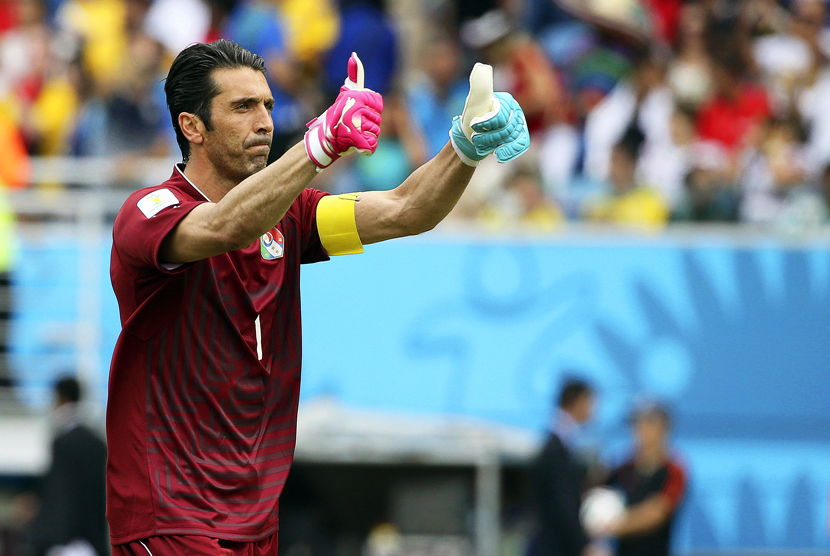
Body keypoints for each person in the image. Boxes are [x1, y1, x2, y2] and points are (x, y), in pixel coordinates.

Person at [106, 39, 529, 555]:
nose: (263, 121)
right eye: (242, 108)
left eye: (267, 105)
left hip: (255, 520)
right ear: (192, 126)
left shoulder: (291, 216)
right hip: (171, 515)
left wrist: (464, 146)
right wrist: (319, 145)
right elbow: (224, 226)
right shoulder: (149, 212)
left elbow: (406, 209)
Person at [28, 376, 109, 556]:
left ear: (60, 397)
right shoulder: (96, 443)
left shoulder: (62, 442)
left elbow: (60, 494)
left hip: (65, 540)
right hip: (93, 539)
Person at [605, 401, 687, 556]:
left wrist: (610, 526)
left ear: (663, 427)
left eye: (646, 423)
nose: (638, 430)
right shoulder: (623, 467)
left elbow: (657, 512)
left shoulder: (675, 470)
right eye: (635, 424)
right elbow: (595, 491)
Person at [532, 378, 598, 556]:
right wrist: (584, 545)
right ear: (577, 402)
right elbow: (563, 503)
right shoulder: (556, 450)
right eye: (590, 402)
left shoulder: (563, 446)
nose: (594, 410)